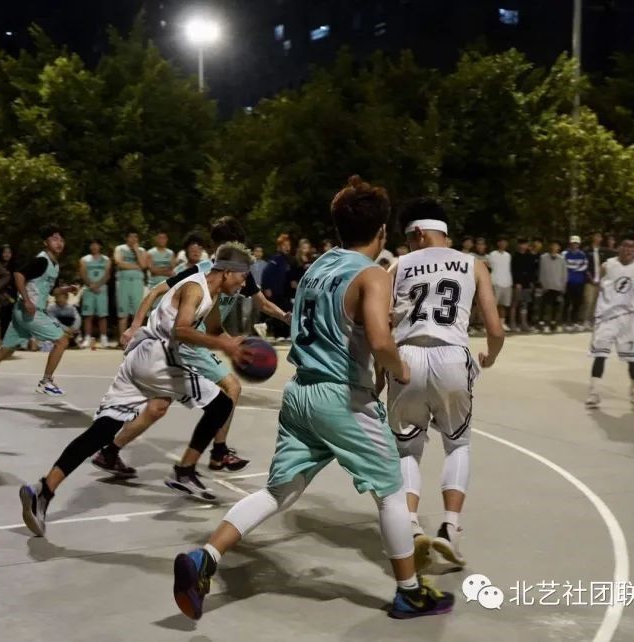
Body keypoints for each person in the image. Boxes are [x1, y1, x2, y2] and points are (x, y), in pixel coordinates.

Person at [170, 177, 453, 622]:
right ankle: (409, 593)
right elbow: (380, 341)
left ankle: (205, 557)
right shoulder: (372, 274)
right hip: (342, 398)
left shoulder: (318, 267)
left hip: (299, 393)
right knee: (392, 492)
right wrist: (400, 369)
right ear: (381, 232)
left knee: (278, 491)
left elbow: (337, 322)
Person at [18, 243, 255, 536]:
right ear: (228, 271)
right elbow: (181, 330)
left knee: (103, 429)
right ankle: (185, 471)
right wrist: (222, 345)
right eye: (243, 277)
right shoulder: (195, 288)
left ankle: (43, 490)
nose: (244, 283)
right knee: (222, 403)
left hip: (138, 360)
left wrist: (233, 341)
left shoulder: (212, 292)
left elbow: (206, 327)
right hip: (159, 358)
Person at [98, 218, 291, 476]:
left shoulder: (238, 273)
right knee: (231, 387)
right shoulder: (202, 272)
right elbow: (155, 291)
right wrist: (134, 325)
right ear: (218, 246)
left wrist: (286, 317)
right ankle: (218, 452)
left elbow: (262, 304)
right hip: (187, 341)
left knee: (158, 406)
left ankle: (110, 451)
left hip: (191, 342)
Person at [385, 198, 504, 572]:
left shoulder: (398, 266)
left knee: (407, 449)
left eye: (409, 238)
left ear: (418, 233)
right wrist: (490, 356)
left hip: (406, 357)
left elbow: (381, 322)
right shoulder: (473, 264)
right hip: (452, 356)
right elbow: (496, 330)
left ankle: (411, 524)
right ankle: (450, 527)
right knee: (458, 444)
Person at [0, 225, 77, 402]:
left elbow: (52, 291)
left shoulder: (54, 265)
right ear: (45, 243)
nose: (59, 242)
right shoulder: (41, 260)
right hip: (30, 311)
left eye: (61, 239)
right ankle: (46, 382)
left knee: (5, 350)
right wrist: (27, 300)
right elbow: (18, 275)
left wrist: (67, 289)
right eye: (54, 239)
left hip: (23, 312)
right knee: (62, 341)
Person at [586, 238, 634, 409]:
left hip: (628, 317)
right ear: (619, 248)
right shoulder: (607, 265)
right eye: (625, 246)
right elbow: (598, 287)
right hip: (606, 316)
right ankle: (594, 391)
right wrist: (594, 310)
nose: (628, 250)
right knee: (600, 354)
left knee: (633, 357)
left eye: (632, 247)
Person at [113, 229, 148, 339]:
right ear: (126, 238)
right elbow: (119, 262)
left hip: (137, 283)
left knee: (137, 313)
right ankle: (122, 340)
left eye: (135, 237)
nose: (133, 239)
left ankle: (136, 339)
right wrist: (136, 266)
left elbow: (144, 265)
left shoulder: (141, 250)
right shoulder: (120, 248)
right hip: (123, 282)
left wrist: (136, 250)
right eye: (131, 236)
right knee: (123, 313)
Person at [79, 239, 112, 349]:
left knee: (102, 315)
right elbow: (83, 274)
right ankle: (87, 338)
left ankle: (104, 338)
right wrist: (91, 285)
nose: (94, 247)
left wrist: (97, 285)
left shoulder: (106, 259)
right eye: (92, 245)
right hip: (88, 289)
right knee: (88, 315)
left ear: (100, 246)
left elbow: (107, 275)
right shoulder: (84, 259)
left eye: (96, 244)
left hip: (101, 289)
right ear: (90, 247)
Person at [538, 240, 567, 332]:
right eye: (553, 245)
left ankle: (553, 323)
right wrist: (543, 284)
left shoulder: (562, 259)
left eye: (556, 246)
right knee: (544, 305)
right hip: (547, 285)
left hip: (557, 286)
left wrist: (563, 286)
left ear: (559, 248)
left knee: (556, 305)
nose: (554, 247)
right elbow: (541, 272)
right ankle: (542, 323)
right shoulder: (543, 257)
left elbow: (564, 273)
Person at [487, 237, 512, 332]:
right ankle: (491, 325)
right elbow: (488, 267)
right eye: (501, 242)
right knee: (493, 306)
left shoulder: (508, 255)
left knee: (503, 305)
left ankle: (501, 324)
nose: (503, 244)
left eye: (505, 242)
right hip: (495, 282)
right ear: (498, 243)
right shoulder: (492, 254)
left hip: (507, 283)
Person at [563, 236, 588, 331]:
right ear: (570, 244)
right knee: (567, 303)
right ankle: (565, 322)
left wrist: (574, 269)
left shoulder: (582, 254)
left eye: (576, 243)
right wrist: (575, 268)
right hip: (568, 282)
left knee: (577, 303)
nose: (574, 245)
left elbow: (585, 266)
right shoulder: (565, 254)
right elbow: (564, 266)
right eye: (573, 243)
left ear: (579, 244)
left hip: (579, 282)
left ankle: (575, 322)